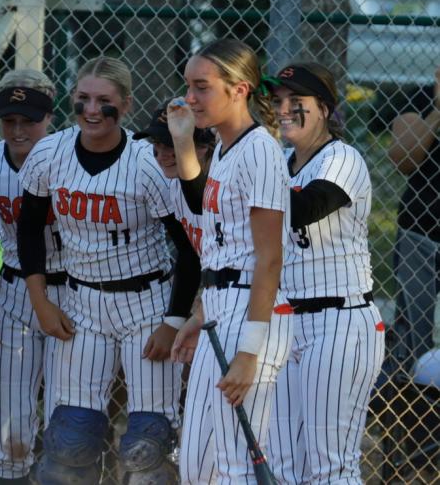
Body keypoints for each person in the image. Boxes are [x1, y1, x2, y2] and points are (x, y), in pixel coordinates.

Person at [17, 57, 199, 484]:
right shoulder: (51, 151)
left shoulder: (147, 161)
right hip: (80, 302)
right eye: (83, 99)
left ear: (127, 104)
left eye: (105, 100)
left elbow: (189, 250)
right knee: (70, 439)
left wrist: (173, 321)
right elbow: (29, 228)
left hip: (146, 304)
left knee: (148, 445)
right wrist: (40, 300)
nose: (92, 110)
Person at [167, 38, 291, 483]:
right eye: (188, 86)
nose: (190, 97)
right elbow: (221, 244)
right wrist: (200, 312)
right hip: (222, 305)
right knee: (197, 465)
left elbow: (270, 259)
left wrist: (249, 351)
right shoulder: (223, 146)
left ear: (239, 89)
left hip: (249, 313)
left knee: (236, 465)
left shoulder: (259, 150)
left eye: (202, 86)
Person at [265, 62, 385, 483]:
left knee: (330, 466)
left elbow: (306, 208)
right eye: (279, 101)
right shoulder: (278, 160)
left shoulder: (343, 158)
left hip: (339, 322)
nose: (283, 109)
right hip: (285, 325)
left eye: (297, 101)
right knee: (282, 465)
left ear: (326, 109)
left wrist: (251, 177)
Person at [0, 70, 60, 483]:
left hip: (69, 289)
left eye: (29, 120)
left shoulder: (72, 155)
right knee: (10, 420)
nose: (18, 130)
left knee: (66, 411)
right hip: (12, 289)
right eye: (10, 120)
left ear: (50, 117)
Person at [386, 66, 440, 377]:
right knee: (412, 325)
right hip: (421, 230)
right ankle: (407, 401)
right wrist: (437, 113)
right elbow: (402, 158)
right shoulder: (418, 99)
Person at [131, 105, 217, 255]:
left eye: (171, 145)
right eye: (157, 142)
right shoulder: (175, 186)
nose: (161, 155)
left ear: (202, 147)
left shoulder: (224, 186)